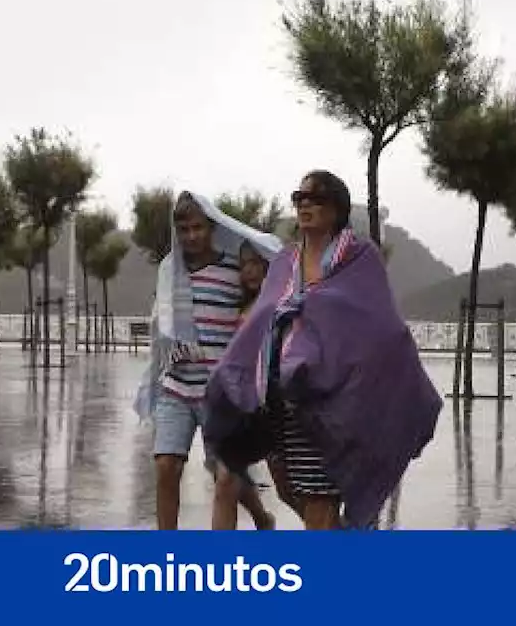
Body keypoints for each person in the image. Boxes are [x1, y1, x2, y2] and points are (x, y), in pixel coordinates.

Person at [205, 170, 443, 529]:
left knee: (319, 501)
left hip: (334, 402)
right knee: (292, 493)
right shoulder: (285, 262)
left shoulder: (360, 257)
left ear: (336, 207)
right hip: (283, 401)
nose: (304, 204)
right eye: (298, 197)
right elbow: (263, 320)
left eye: (314, 197)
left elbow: (381, 324)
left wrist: (311, 312)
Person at [133, 192, 283, 530]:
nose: (191, 236)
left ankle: (258, 519)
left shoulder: (234, 270)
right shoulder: (170, 272)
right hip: (177, 386)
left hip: (221, 393)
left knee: (226, 476)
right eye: (183, 229)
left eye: (198, 228)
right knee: (165, 468)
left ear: (212, 227)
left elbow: (259, 305)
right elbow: (163, 325)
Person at [212, 239, 302, 528]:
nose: (249, 271)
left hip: (273, 408)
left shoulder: (282, 304)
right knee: (226, 479)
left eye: (255, 263)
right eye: (243, 265)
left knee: (288, 491)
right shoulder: (241, 307)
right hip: (244, 409)